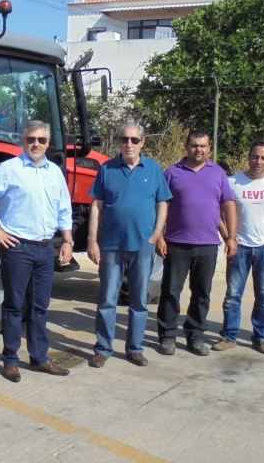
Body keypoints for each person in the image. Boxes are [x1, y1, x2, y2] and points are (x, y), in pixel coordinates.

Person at [0, 120, 74, 382]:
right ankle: (11, 359)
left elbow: (64, 208)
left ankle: (39, 357)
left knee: (40, 307)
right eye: (30, 139)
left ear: (48, 143)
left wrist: (67, 241)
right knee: (13, 307)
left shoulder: (54, 172)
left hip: (45, 250)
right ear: (23, 141)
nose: (36, 144)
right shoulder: (9, 169)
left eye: (41, 140)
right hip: (18, 248)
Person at [87, 123, 172, 368]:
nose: (129, 144)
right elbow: (96, 206)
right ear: (119, 142)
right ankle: (103, 349)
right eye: (124, 139)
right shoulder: (107, 168)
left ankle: (134, 348)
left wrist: (156, 235)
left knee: (139, 301)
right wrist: (93, 241)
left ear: (142, 143)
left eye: (134, 140)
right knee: (107, 299)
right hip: (111, 245)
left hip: (143, 245)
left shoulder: (154, 169)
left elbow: (162, 204)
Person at [156, 130, 238, 357]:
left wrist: (231, 236)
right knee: (171, 292)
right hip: (176, 243)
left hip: (208, 245)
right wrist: (159, 236)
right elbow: (160, 205)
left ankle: (195, 335)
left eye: (202, 146)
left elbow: (228, 205)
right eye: (194, 145)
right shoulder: (172, 172)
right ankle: (167, 336)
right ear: (187, 146)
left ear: (209, 148)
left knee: (202, 293)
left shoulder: (218, 173)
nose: (198, 149)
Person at [212, 140, 264, 355]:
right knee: (233, 296)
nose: (259, 161)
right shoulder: (233, 182)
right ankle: (229, 336)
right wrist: (229, 237)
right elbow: (217, 212)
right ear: (248, 158)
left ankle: (260, 338)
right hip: (239, 248)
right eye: (255, 157)